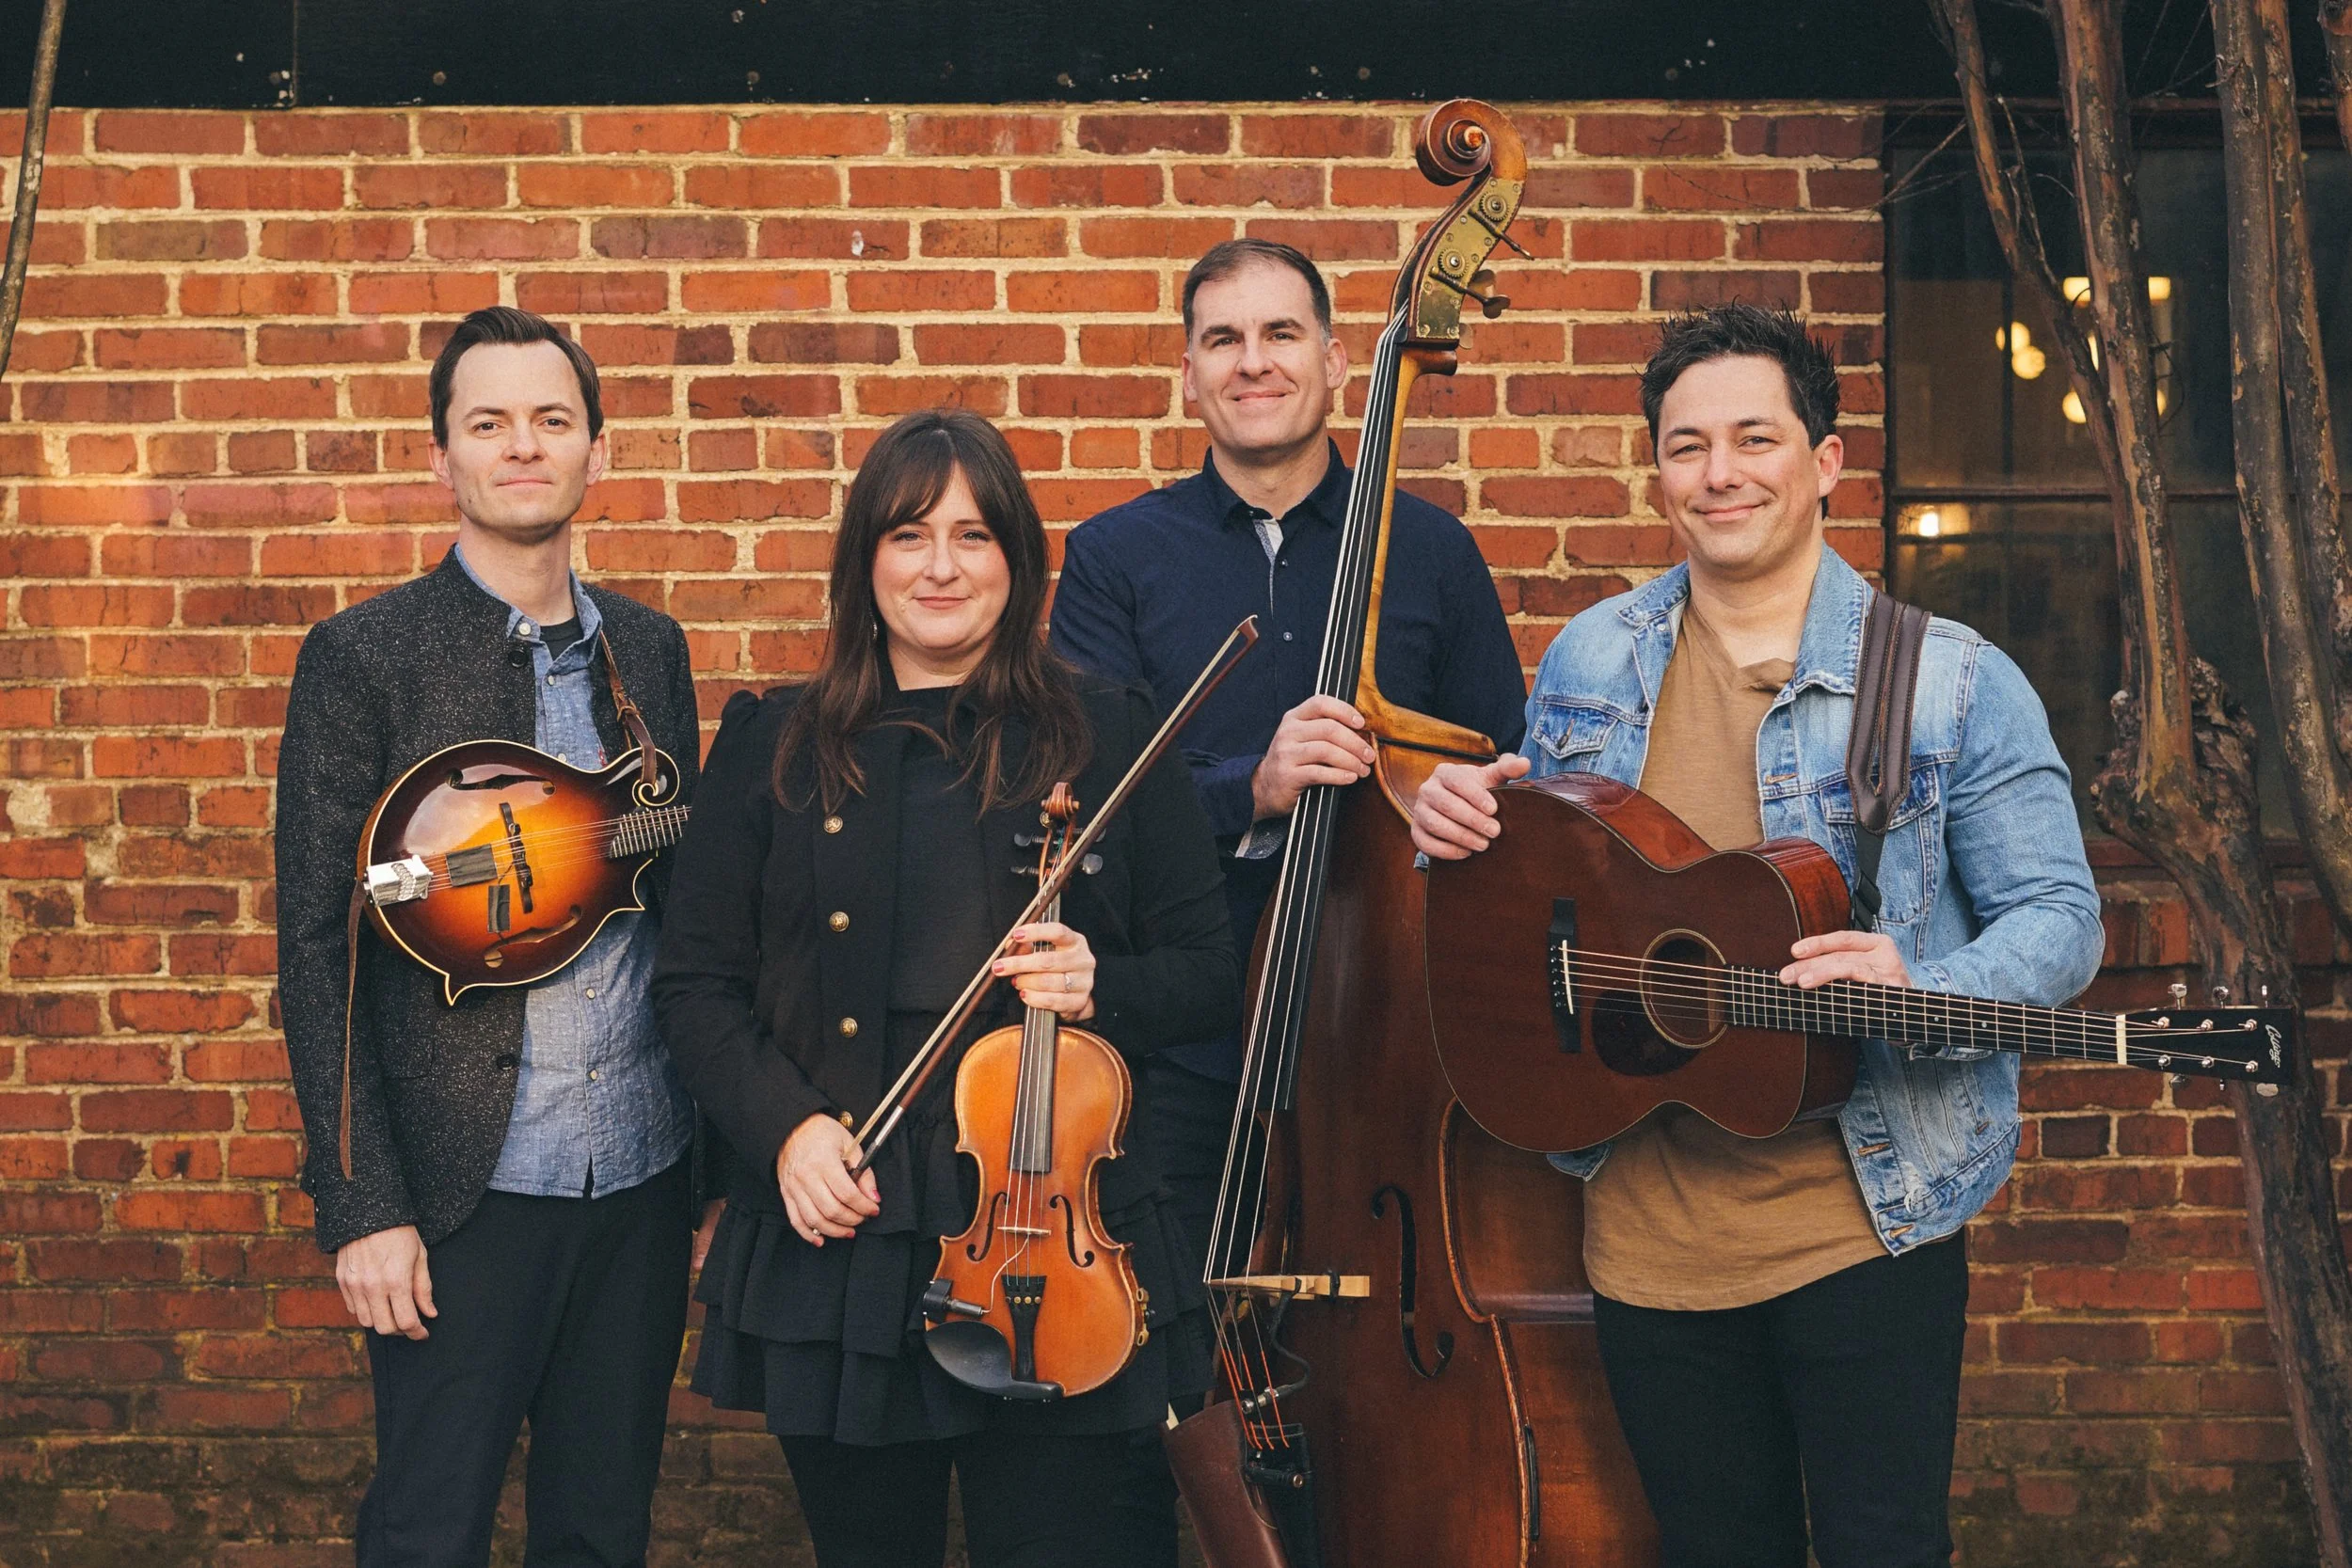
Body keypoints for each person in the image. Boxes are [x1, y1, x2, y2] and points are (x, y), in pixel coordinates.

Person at [1411, 303, 2106, 1568]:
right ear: (1657, 468)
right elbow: (1542, 892)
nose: (1719, 473)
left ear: (1825, 462)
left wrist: (1922, 978)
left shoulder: (1945, 679)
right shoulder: (1588, 660)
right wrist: (1457, 825)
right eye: (1686, 445)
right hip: (1645, 1235)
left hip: (1865, 1217)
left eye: (1753, 438)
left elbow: (2063, 920)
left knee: (1882, 1544)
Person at [652, 407, 1238, 1568]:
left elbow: (1210, 977)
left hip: (1062, 1230)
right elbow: (693, 987)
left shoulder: (1108, 733)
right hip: (854, 1226)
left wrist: (1098, 984)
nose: (940, 565)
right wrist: (786, 1133)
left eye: (974, 536)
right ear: (864, 559)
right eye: (909, 533)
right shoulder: (774, 747)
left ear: (1016, 561)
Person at [275, 306, 707, 1567]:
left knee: (600, 1527)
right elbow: (321, 942)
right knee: (426, 1529)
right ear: (443, 458)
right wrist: (361, 1204)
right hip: (463, 1191)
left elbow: (676, 910)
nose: (525, 446)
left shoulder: (653, 649)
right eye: (490, 423)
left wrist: (715, 1162)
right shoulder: (364, 656)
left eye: (552, 420)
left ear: (596, 450)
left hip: (638, 1175)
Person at [1048, 237, 1527, 1282]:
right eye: (1222, 339)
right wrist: (1250, 787)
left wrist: (1462, 799)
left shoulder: (1432, 550)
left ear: (1337, 360)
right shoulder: (1112, 558)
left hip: (1385, 1020)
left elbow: (1510, 764)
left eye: (1279, 333)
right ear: (1188, 374)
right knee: (1161, 1333)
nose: (1251, 361)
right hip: (1173, 1039)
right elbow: (1076, 798)